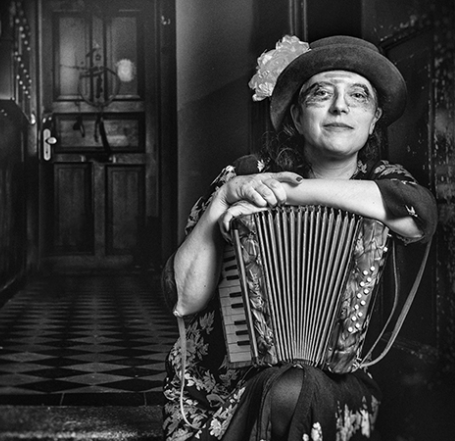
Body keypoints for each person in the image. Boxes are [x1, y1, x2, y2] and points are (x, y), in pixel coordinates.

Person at [161, 35, 437, 441]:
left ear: (374, 117)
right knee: (285, 386)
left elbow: (418, 217)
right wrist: (227, 195)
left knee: (294, 387)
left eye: (358, 96)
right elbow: (184, 301)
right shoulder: (247, 174)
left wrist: (287, 192)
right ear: (296, 115)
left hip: (344, 378)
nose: (340, 106)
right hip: (230, 384)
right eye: (321, 93)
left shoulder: (384, 182)